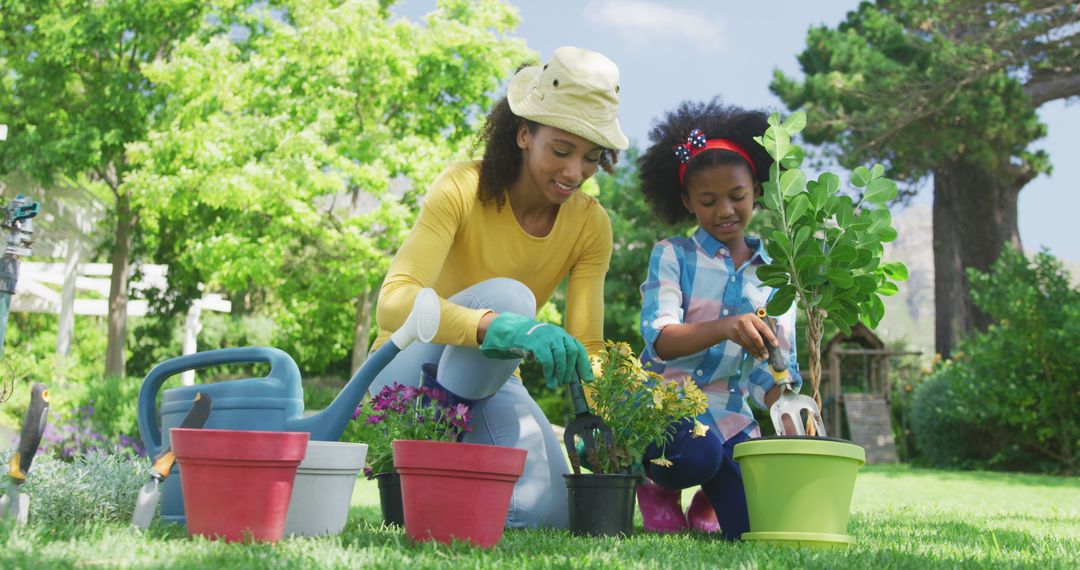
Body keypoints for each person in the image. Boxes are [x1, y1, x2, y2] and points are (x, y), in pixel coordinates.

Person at [368, 46, 629, 529]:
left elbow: (589, 344)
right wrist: (492, 326)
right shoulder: (461, 187)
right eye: (561, 150)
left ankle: (443, 483)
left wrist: (600, 419)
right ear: (525, 134)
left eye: (592, 158)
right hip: (401, 373)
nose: (575, 173)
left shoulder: (591, 225)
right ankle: (426, 456)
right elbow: (393, 304)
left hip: (488, 379)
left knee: (543, 516)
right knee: (513, 297)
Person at [634, 99, 802, 540]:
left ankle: (712, 493)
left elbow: (775, 364)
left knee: (750, 527)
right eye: (708, 201)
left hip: (731, 416)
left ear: (757, 193)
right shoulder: (672, 255)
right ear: (688, 201)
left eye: (737, 196)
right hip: (668, 406)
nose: (725, 210)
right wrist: (727, 326)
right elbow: (660, 340)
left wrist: (785, 404)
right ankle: (657, 487)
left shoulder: (776, 273)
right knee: (698, 455)